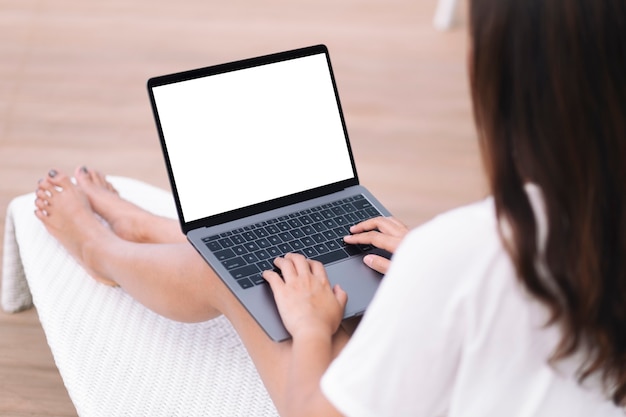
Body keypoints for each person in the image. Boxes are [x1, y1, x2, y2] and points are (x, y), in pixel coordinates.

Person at [33, 0, 626, 415]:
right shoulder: (485, 252)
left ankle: (102, 249)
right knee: (319, 282)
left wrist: (312, 329)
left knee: (233, 274)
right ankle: (156, 227)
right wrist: (429, 267)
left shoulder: (470, 252)